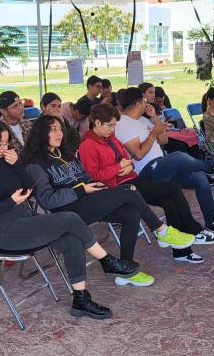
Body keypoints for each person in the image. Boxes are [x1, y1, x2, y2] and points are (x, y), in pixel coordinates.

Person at [0, 118, 139, 319]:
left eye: (6, 142)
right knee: (70, 218)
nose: (5, 147)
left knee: (72, 240)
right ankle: (107, 261)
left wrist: (16, 166)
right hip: (5, 231)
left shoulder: (6, 160)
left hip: (25, 220)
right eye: (0, 144)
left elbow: (29, 187)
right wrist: (10, 203)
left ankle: (80, 300)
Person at [24, 115, 195, 285]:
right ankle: (160, 230)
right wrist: (82, 189)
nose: (59, 133)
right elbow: (47, 200)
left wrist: (94, 184)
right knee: (128, 191)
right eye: (53, 129)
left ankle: (125, 271)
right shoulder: (36, 164)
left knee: (131, 213)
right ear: (41, 133)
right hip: (68, 211)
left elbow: (84, 176)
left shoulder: (65, 153)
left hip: (87, 199)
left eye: (60, 129)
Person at [80, 103, 214, 263]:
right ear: (97, 123)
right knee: (172, 187)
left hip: (132, 179)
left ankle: (182, 251)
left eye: (114, 126)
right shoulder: (88, 145)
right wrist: (119, 167)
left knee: (169, 201)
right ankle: (194, 230)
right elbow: (96, 176)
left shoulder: (110, 138)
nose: (112, 129)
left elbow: (129, 159)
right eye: (109, 125)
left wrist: (129, 166)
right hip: (119, 189)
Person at [115, 87, 214, 238]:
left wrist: (155, 118)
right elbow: (138, 154)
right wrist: (153, 132)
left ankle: (212, 223)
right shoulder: (123, 124)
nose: (147, 102)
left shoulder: (143, 119)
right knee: (178, 156)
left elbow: (163, 140)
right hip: (146, 172)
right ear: (138, 103)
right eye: (144, 100)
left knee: (199, 177)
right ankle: (210, 166)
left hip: (163, 167)